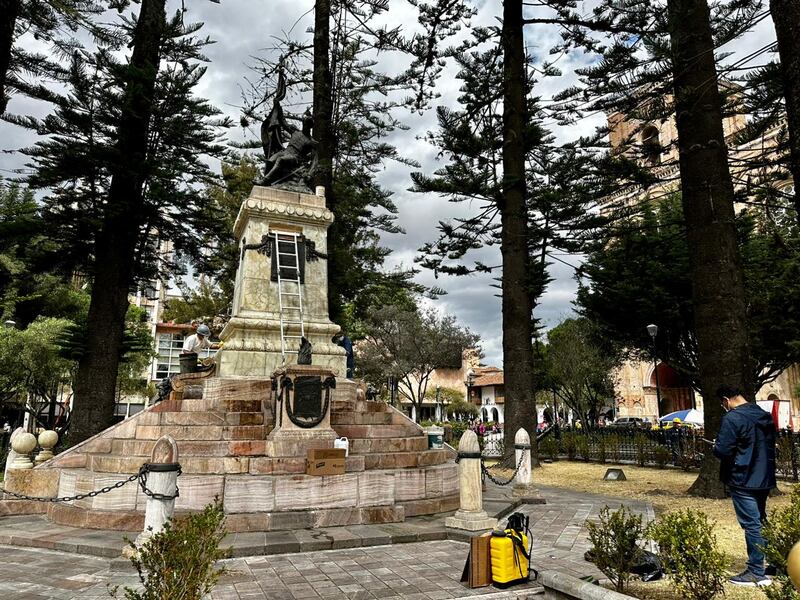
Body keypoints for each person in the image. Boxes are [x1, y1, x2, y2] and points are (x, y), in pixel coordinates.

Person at [713, 384, 776, 587]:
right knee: (761, 520)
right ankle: (775, 561)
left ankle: (756, 571)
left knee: (752, 524)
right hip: (764, 477)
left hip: (743, 477)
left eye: (723, 404)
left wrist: (717, 445)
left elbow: (723, 450)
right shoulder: (763, 414)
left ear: (726, 400)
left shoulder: (732, 418)